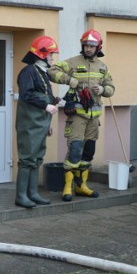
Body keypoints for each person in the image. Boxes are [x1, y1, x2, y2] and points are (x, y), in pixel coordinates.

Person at [47, 29, 115, 202]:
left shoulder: (102, 67)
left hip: (94, 118)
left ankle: (81, 186)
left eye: (92, 46)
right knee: (75, 150)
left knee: (89, 152)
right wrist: (69, 80)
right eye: (86, 46)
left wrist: (102, 89)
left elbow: (111, 88)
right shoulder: (73, 62)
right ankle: (67, 187)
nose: (88, 49)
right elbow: (52, 71)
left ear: (98, 47)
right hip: (77, 116)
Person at [15, 35, 60, 208]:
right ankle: (21, 196)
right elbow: (27, 95)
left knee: (37, 158)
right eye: (51, 54)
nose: (52, 58)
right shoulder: (28, 72)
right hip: (29, 124)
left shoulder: (42, 73)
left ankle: (33, 193)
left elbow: (46, 98)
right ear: (42, 54)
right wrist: (46, 105)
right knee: (27, 158)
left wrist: (48, 123)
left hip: (40, 123)